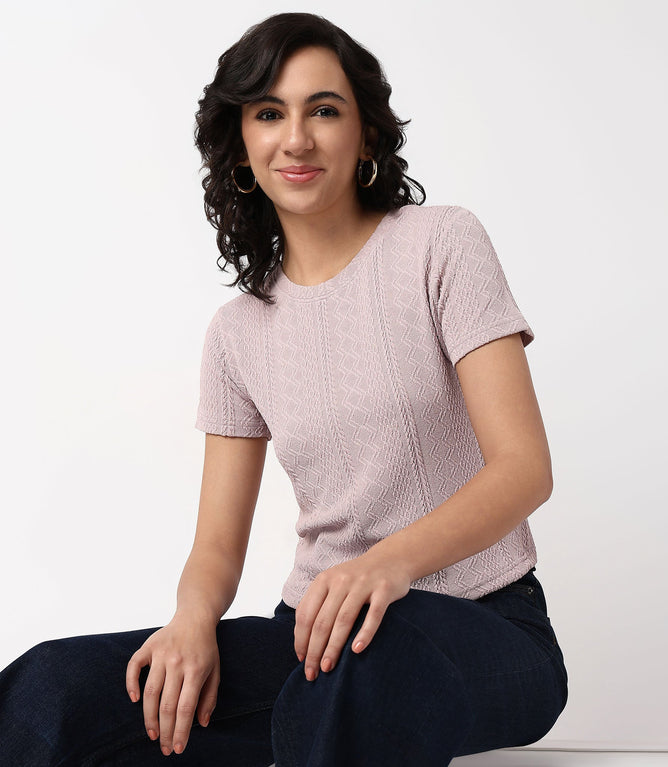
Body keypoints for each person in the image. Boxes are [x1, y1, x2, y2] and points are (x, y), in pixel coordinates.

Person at [0, 12, 567, 767]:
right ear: (241, 146)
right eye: (269, 114)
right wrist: (190, 622)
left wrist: (385, 563)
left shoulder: (440, 244)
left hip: (484, 624)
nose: (295, 139)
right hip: (312, 636)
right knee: (56, 686)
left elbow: (524, 469)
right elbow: (216, 544)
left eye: (323, 110)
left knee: (366, 667)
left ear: (365, 135)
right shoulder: (238, 332)